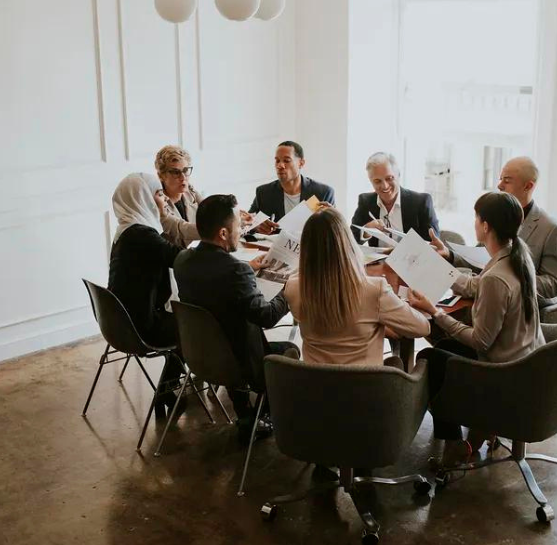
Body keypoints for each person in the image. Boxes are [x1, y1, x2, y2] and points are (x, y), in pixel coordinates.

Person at [409, 191, 546, 468]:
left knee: (430, 359)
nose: (474, 223)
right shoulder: (518, 256)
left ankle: (457, 443)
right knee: (443, 349)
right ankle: (474, 432)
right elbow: (478, 285)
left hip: (502, 371)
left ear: (485, 226)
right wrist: (439, 267)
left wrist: (435, 312)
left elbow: (480, 342)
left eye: (476, 218)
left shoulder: (498, 276)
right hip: (527, 359)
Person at [173, 194, 298, 443]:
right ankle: (265, 418)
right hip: (239, 364)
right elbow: (268, 316)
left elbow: (215, 283)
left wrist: (248, 269)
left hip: (201, 357)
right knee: (290, 350)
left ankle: (246, 415)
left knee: (230, 331)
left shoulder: (183, 260)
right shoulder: (234, 271)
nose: (241, 231)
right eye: (238, 226)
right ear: (222, 233)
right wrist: (288, 288)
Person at [282, 208, 429, 367]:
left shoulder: (293, 287)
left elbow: (331, 320)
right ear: (347, 243)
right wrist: (381, 321)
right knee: (396, 363)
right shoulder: (374, 289)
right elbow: (422, 328)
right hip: (364, 387)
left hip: (316, 385)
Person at [431, 156, 557, 304]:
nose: (499, 185)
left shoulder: (552, 228)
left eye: (507, 181)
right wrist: (449, 255)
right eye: (500, 179)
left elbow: (553, 285)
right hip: (488, 298)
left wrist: (504, 280)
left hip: (527, 308)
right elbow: (479, 260)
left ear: (528, 186)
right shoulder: (495, 215)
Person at [107, 173, 187, 412]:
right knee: (198, 327)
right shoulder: (142, 235)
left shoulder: (127, 230)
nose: (164, 200)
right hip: (141, 327)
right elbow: (179, 260)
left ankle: (169, 388)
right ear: (142, 198)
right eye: (159, 194)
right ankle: (165, 391)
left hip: (120, 325)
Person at [350, 152, 440, 246]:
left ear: (398, 175)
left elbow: (433, 244)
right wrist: (366, 230)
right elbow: (348, 240)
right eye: (377, 181)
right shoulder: (365, 201)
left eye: (389, 178)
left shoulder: (421, 202)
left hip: (411, 259)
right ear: (371, 181)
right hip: (377, 260)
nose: (384, 186)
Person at [248, 141, 336, 234]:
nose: (280, 165)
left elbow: (334, 233)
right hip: (272, 247)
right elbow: (247, 223)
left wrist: (333, 217)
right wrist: (256, 226)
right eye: (277, 160)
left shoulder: (323, 192)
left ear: (301, 163)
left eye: (286, 161)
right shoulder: (263, 192)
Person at [154, 145, 203, 247]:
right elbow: (181, 228)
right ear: (161, 175)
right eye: (176, 172)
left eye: (185, 170)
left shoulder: (189, 190)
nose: (183, 177)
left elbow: (209, 207)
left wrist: (230, 214)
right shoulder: (157, 200)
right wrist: (215, 230)